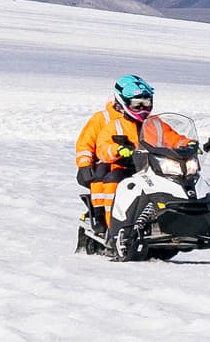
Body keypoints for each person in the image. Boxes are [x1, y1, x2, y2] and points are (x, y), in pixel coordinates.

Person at [74, 73, 188, 246]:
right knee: (110, 180)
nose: (142, 107)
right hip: (114, 165)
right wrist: (87, 164)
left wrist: (190, 144)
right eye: (137, 104)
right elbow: (90, 144)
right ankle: (106, 222)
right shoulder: (105, 120)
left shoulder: (153, 123)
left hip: (148, 163)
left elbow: (173, 137)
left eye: (146, 103)